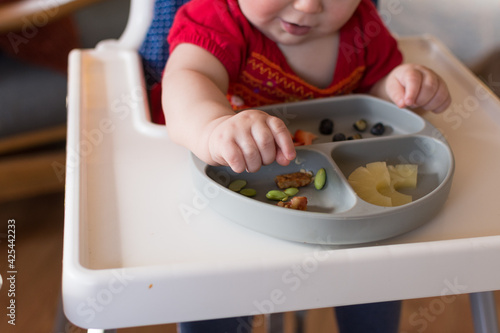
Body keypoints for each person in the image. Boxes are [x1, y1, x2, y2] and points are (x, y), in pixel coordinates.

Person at [161, 0, 451, 332]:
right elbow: (186, 80)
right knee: (213, 281)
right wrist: (213, 126)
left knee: (378, 265)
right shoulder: (218, 19)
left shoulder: (363, 28)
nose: (309, 5)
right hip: (229, 202)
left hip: (340, 215)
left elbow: (377, 98)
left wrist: (403, 86)